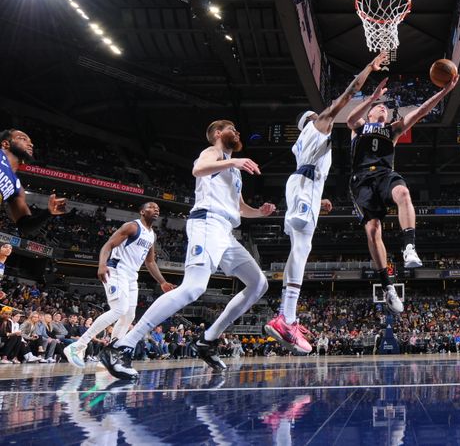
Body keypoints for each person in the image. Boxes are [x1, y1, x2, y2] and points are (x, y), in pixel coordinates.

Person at [100, 120, 276, 380]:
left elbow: (239, 207)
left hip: (226, 231)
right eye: (232, 129)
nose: (237, 133)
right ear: (218, 133)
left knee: (259, 284)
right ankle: (123, 346)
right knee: (193, 288)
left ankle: (208, 339)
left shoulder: (232, 169)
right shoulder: (213, 153)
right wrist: (233, 162)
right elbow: (199, 169)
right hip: (207, 223)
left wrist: (258, 212)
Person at [265, 53, 387, 353]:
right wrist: (369, 72)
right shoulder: (317, 125)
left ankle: (288, 316)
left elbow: (310, 171)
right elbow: (345, 97)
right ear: (311, 119)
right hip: (304, 188)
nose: (325, 114)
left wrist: (318, 201)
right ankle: (286, 316)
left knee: (301, 248)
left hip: (304, 189)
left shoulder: (305, 143)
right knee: (301, 250)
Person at [346, 69, 459, 312]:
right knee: (373, 229)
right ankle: (387, 286)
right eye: (379, 107)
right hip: (361, 180)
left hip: (385, 174)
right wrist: (372, 96)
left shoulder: (393, 130)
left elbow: (421, 111)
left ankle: (409, 246)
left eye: (385, 108)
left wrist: (444, 92)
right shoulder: (359, 127)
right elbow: (349, 119)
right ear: (370, 111)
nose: (383, 109)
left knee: (404, 194)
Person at [63, 202, 176, 368]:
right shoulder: (131, 227)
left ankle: (109, 354)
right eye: (152, 207)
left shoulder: (152, 235)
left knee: (129, 316)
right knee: (119, 309)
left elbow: (150, 262)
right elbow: (108, 244)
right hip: (116, 270)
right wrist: (101, 264)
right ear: (142, 211)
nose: (156, 209)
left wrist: (162, 282)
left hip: (131, 276)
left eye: (158, 208)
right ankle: (78, 346)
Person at [0, 129, 67, 238]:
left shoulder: (17, 188)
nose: (31, 144)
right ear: (5, 144)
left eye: (30, 141)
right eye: (23, 139)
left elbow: (25, 226)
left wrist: (48, 212)